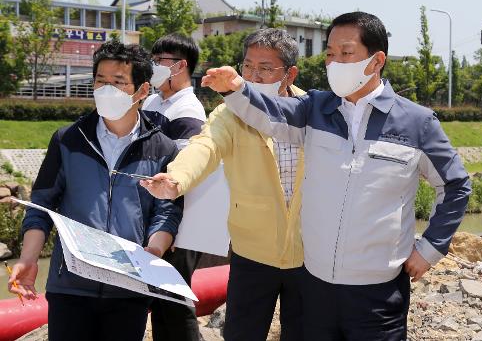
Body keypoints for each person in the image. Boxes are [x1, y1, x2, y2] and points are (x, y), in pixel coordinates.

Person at [166, 12, 472, 340]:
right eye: (329, 54)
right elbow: (266, 117)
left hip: (377, 288)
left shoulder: (416, 123)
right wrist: (237, 89)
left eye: (345, 53)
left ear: (377, 59)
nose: (334, 62)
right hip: (312, 281)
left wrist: (429, 249)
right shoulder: (316, 109)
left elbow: (455, 185)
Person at [7, 40, 182, 341]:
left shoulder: (162, 149)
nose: (106, 90)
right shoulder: (68, 140)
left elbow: (166, 213)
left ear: (141, 91)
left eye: (117, 82)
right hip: (70, 287)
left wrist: (151, 257)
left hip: (130, 289)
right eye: (100, 81)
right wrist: (29, 258)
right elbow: (41, 206)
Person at [141, 28, 306, 341]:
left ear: (290, 73)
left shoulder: (311, 112)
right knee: (242, 332)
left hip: (308, 251)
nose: (254, 76)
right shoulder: (229, 113)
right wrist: (176, 179)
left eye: (265, 69)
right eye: (248, 67)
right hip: (252, 251)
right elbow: (205, 146)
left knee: (303, 332)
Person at [142, 33, 207, 341]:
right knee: (160, 299)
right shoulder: (155, 99)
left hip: (178, 219)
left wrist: (175, 229)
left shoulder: (188, 110)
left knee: (175, 300)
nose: (153, 67)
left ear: (181, 66)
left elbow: (183, 171)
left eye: (160, 62)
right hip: (156, 214)